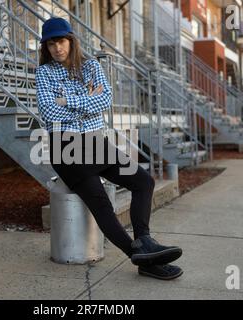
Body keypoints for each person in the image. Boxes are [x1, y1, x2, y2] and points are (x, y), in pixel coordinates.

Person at [35, 17, 183, 280]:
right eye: (50, 44)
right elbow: (49, 111)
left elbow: (104, 100)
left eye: (61, 41)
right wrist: (85, 100)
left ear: (71, 40)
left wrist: (67, 100)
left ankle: (145, 242)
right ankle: (143, 261)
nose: (56, 48)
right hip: (65, 147)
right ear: (45, 47)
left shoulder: (90, 66)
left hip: (94, 141)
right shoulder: (43, 73)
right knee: (102, 205)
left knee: (144, 181)